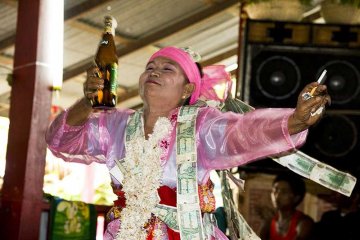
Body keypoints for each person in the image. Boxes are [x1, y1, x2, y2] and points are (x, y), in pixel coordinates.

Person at [46, 46, 330, 240]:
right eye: (150, 67)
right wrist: (86, 103)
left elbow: (246, 131)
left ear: (188, 89)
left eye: (167, 68)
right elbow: (61, 141)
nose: (154, 72)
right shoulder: (115, 124)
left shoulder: (201, 126)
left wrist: (296, 121)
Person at [259, 173, 314, 240]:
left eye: (284, 192)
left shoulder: (304, 222)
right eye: (275, 190)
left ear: (296, 198)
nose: (277, 196)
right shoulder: (268, 223)